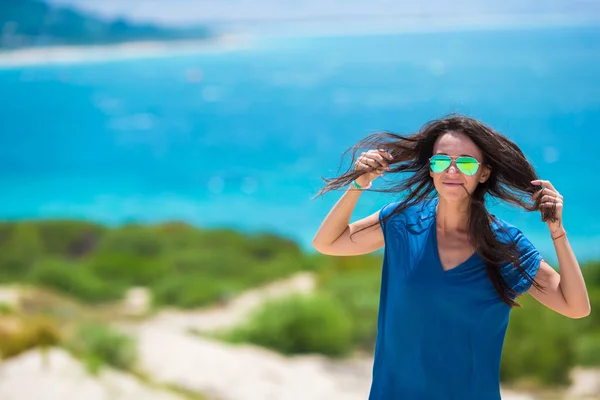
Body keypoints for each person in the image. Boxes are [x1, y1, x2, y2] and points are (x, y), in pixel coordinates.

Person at [312, 114, 591, 400]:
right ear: (431, 170)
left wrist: (558, 231)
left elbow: (576, 306)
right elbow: (328, 242)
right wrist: (358, 184)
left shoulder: (505, 245)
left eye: (466, 163)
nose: (452, 171)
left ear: (484, 173)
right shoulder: (402, 222)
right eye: (441, 161)